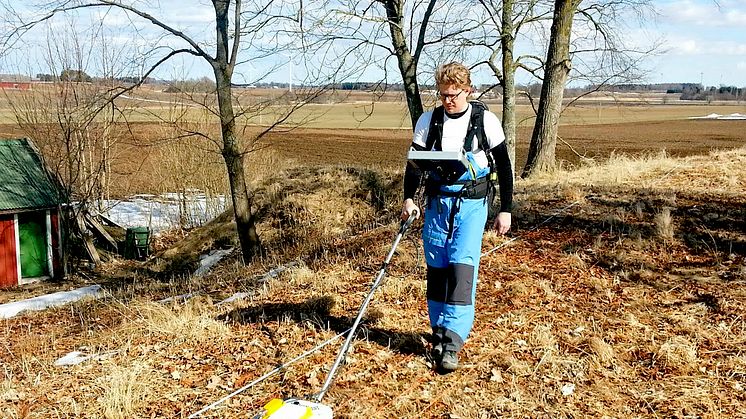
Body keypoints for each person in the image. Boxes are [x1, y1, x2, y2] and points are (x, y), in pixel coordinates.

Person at [401, 62, 513, 373]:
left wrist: (506, 209)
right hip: (438, 204)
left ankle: (452, 341)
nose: (448, 100)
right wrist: (409, 198)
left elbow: (504, 166)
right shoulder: (429, 120)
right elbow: (413, 165)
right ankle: (438, 329)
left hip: (472, 204)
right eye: (443, 95)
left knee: (461, 268)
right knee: (437, 267)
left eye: (453, 94)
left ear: (468, 89)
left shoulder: (484, 121)